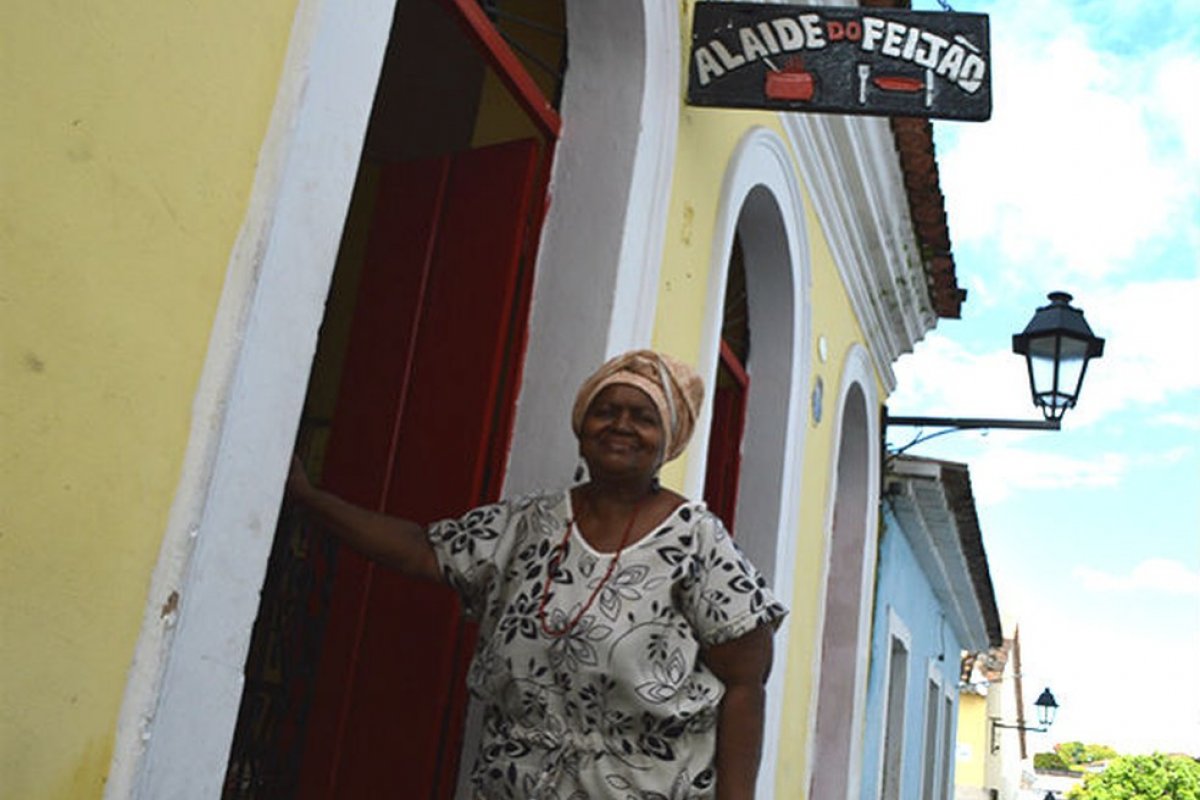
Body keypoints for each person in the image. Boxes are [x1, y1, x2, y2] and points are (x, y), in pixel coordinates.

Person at [287, 350, 787, 799]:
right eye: (605, 411)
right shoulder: (527, 523)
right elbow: (422, 550)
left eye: (644, 417)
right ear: (582, 427)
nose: (620, 426)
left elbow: (746, 681)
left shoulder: (695, 539)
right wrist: (310, 499)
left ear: (668, 441)